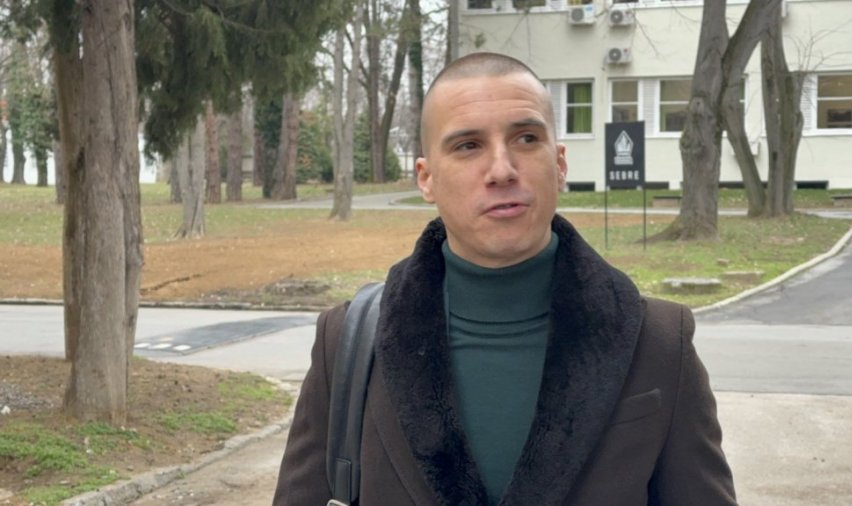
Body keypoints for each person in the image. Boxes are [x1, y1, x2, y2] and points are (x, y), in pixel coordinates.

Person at [273, 52, 736, 505]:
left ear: (559, 163)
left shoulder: (659, 341)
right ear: (426, 178)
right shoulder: (350, 342)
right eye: (468, 146)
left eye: (526, 138)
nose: (501, 170)